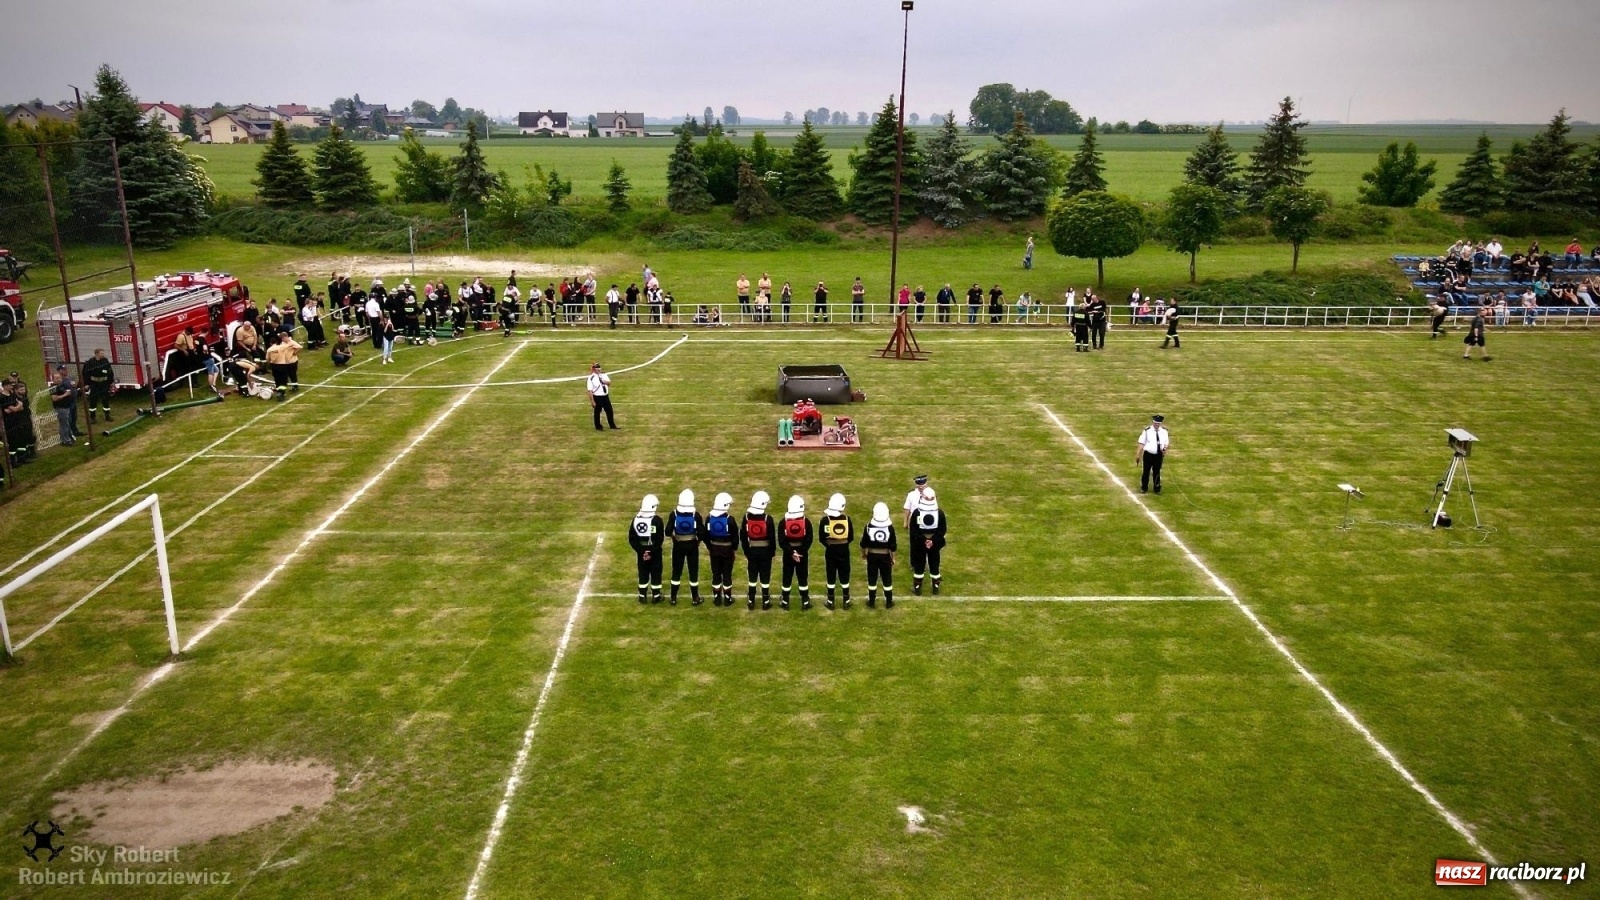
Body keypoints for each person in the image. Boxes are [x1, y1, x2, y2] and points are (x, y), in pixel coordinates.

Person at [741, 491, 777, 610]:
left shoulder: (746, 517)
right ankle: (765, 600)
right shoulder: (768, 519)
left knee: (752, 575)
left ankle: (751, 599)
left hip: (752, 550)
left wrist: (746, 551)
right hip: (765, 551)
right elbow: (772, 538)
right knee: (765, 576)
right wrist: (772, 552)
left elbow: (743, 536)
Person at [702, 492, 740, 606]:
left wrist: (710, 547)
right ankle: (727, 599)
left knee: (716, 574)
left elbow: (706, 536)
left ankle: (717, 598)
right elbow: (735, 538)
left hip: (714, 550)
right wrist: (733, 549)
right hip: (727, 551)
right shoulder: (730, 520)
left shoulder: (709, 518)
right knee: (727, 574)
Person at [818, 493, 855, 609]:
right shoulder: (847, 519)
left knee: (831, 574)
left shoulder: (825, 520)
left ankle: (830, 600)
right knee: (844, 574)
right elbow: (851, 537)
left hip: (830, 550)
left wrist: (829, 545)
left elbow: (821, 538)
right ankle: (846, 599)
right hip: (844, 550)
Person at [908, 487, 947, 596]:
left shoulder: (917, 513)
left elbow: (914, 530)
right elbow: (942, 530)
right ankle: (935, 587)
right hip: (935, 544)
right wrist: (932, 541)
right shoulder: (940, 513)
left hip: (920, 544)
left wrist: (924, 540)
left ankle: (917, 588)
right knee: (934, 564)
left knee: (919, 565)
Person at [667, 489, 703, 606]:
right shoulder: (695, 515)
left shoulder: (674, 514)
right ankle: (695, 597)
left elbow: (667, 531)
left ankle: (673, 598)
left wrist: (674, 537)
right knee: (693, 572)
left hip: (678, 545)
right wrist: (698, 541)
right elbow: (702, 532)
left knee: (676, 572)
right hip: (692, 545)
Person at [778, 495, 814, 610]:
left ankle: (785, 601)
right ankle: (805, 601)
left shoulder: (783, 522)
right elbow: (809, 539)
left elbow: (781, 541)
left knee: (787, 577)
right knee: (802, 577)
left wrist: (791, 552)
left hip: (788, 555)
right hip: (802, 555)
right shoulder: (806, 522)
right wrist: (800, 552)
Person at [629, 494, 665, 605]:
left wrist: (641, 551)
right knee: (656, 572)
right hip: (655, 552)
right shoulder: (657, 520)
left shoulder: (635, 520)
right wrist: (651, 551)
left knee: (643, 572)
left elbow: (632, 538)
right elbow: (659, 539)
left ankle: (642, 595)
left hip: (641, 552)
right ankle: (656, 595)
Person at [861, 501, 897, 609]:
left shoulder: (868, 526)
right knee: (887, 578)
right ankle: (889, 601)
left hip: (872, 556)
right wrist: (893, 557)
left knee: (872, 578)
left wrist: (864, 554)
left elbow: (863, 543)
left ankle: (871, 601)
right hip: (885, 556)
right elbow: (893, 545)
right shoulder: (890, 527)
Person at [1137, 414, 1170, 495]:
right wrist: (1138, 454)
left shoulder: (1164, 432)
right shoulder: (1147, 430)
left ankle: (1157, 488)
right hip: (1148, 454)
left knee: (1157, 472)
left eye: (1158, 423)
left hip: (1158, 455)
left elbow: (1166, 443)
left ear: (1161, 423)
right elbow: (1141, 442)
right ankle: (1144, 487)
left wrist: (1165, 449)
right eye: (1155, 423)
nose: (1156, 425)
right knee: (1146, 471)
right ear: (1152, 422)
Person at [265, 331, 302, 400]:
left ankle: (280, 391)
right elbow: (288, 346)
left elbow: (267, 359)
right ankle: (282, 393)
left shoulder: (269, 349)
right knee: (284, 380)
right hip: (282, 365)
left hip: (274, 366)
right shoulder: (281, 347)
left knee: (277, 379)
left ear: (270, 343)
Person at [49, 365, 79, 447]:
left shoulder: (61, 385)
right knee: (64, 425)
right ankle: (66, 441)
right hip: (61, 408)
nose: (58, 379)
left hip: (67, 407)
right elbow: (54, 399)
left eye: (59, 378)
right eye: (56, 378)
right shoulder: (53, 388)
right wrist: (65, 395)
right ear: (53, 379)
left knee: (66, 424)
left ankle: (69, 437)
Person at [83, 348, 114, 422]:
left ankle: (107, 415)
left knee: (105, 399)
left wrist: (110, 382)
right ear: (97, 354)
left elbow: (110, 371)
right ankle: (92, 417)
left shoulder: (105, 361)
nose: (103, 354)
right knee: (93, 399)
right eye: (101, 353)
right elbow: (86, 373)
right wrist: (86, 383)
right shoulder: (90, 362)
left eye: (103, 353)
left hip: (104, 383)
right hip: (94, 384)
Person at [587, 361, 617, 430]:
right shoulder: (591, 378)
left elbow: (609, 383)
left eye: (599, 368)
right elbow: (590, 390)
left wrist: (604, 382)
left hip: (605, 396)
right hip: (597, 397)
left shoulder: (604, 375)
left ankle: (612, 425)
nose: (599, 369)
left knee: (609, 410)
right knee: (597, 412)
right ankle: (598, 426)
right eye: (597, 368)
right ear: (594, 369)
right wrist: (592, 401)